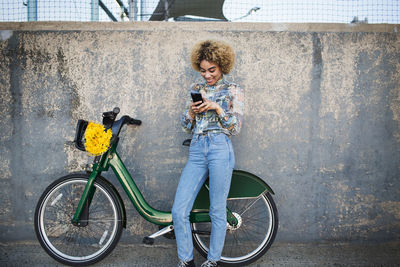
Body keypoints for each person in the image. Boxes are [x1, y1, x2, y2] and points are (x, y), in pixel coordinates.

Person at [172, 40, 244, 267]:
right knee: (179, 210)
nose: (207, 75)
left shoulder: (233, 90)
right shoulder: (195, 90)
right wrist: (192, 114)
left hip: (220, 148)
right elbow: (185, 126)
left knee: (216, 209)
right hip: (196, 149)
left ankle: (212, 261)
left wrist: (217, 107)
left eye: (211, 70)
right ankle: (186, 260)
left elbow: (236, 127)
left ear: (222, 65)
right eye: (203, 71)